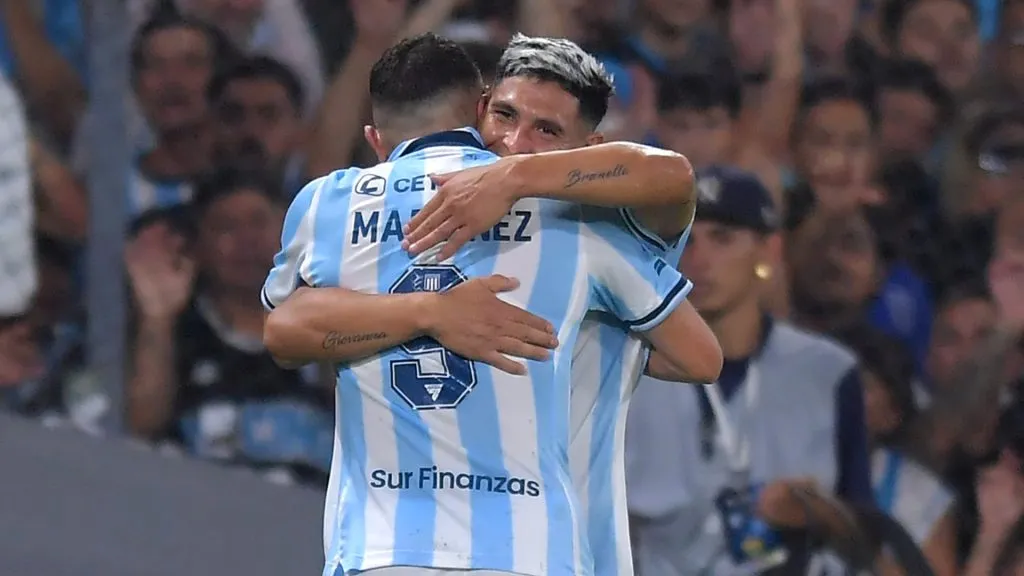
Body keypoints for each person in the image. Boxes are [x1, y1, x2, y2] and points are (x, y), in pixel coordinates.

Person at [264, 33, 723, 576]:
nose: (513, 142)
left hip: (565, 542)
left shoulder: (597, 219)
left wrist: (515, 180)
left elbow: (673, 178)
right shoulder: (559, 231)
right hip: (511, 550)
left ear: (590, 150)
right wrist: (435, 313)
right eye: (504, 116)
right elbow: (286, 328)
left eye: (546, 131)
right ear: (479, 108)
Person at [625, 166, 873, 575]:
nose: (698, 259)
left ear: (769, 251)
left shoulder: (827, 371)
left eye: (722, 238)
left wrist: (815, 512)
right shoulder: (627, 365)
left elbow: (863, 532)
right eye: (684, 240)